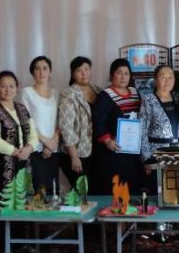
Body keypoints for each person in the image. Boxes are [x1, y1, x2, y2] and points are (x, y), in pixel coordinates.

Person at [0, 71, 39, 207]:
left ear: (16, 88)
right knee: (5, 204)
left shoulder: (22, 108)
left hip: (24, 162)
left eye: (11, 86)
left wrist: (28, 148)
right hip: (1, 165)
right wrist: (17, 152)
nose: (7, 90)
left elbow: (33, 135)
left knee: (24, 202)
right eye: (3, 86)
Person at [93, 58, 142, 195]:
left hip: (133, 151)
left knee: (133, 186)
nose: (123, 77)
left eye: (126, 73)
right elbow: (98, 122)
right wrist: (107, 141)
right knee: (116, 187)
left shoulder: (135, 92)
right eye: (119, 73)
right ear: (111, 75)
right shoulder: (105, 95)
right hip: (114, 150)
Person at [58, 56, 101, 191]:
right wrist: (74, 156)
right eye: (79, 70)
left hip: (97, 150)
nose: (84, 73)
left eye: (86, 69)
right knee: (82, 192)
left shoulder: (99, 91)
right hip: (78, 152)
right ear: (73, 74)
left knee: (96, 191)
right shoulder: (68, 94)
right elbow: (66, 126)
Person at [20, 56, 60, 196]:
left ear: (50, 71)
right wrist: (45, 141)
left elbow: (59, 121)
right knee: (39, 191)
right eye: (37, 69)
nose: (41, 72)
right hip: (36, 147)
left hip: (53, 148)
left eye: (45, 68)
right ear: (32, 72)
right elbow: (26, 121)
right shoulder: (27, 92)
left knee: (53, 191)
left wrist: (53, 142)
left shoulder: (56, 93)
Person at [139, 65, 179, 193]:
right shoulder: (148, 99)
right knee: (157, 191)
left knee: (174, 191)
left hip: (177, 153)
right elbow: (142, 130)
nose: (167, 80)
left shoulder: (178, 97)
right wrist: (146, 159)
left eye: (171, 77)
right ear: (156, 80)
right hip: (155, 154)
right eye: (163, 77)